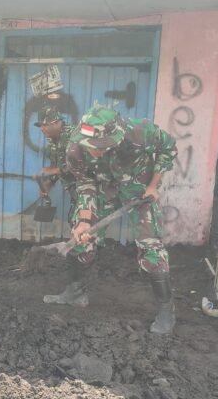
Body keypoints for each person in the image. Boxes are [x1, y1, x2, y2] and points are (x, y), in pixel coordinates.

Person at [66, 105, 178, 334]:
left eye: (99, 146)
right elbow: (85, 183)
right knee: (81, 236)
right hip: (104, 188)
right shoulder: (75, 150)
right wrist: (85, 220)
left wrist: (153, 185)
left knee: (150, 245)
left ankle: (167, 309)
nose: (93, 151)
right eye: (89, 146)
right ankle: (75, 293)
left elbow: (168, 148)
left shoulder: (140, 132)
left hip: (139, 188)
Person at [35, 106, 95, 265]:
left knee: (83, 220)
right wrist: (49, 183)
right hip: (75, 189)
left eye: (45, 124)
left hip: (88, 188)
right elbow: (57, 166)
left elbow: (86, 163)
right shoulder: (52, 141)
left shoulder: (75, 136)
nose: (42, 129)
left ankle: (85, 257)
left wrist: (57, 170)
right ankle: (81, 253)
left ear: (57, 123)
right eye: (40, 125)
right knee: (74, 220)